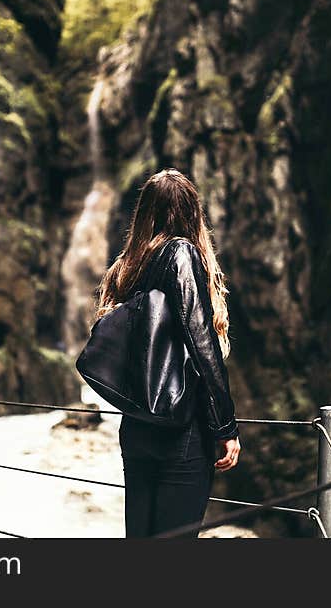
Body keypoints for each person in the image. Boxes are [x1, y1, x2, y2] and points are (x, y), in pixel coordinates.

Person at [94, 168, 241, 538]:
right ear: (193, 213)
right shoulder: (182, 253)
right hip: (181, 432)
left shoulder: (126, 269)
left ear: (143, 214)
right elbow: (201, 341)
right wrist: (225, 426)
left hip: (137, 427)